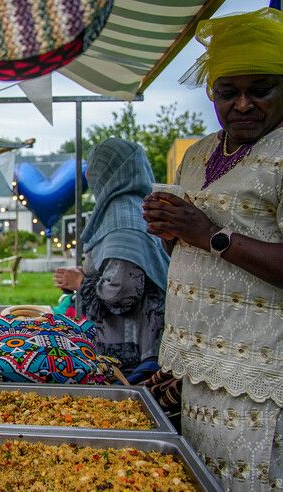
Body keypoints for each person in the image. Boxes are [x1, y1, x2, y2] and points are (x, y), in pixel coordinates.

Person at [142, 8, 283, 489]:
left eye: (260, 90)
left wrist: (209, 236)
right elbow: (192, 254)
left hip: (256, 378)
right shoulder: (199, 153)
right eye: (228, 92)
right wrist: (171, 233)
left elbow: (212, 239)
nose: (243, 104)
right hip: (191, 369)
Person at [53, 138, 169, 377]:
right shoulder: (136, 206)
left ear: (104, 173)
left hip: (131, 357)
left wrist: (80, 283)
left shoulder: (123, 216)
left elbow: (122, 289)